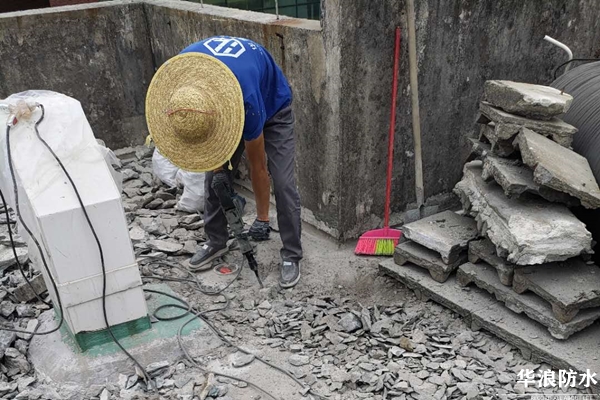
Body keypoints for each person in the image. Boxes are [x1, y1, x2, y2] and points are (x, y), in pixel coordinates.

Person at [145, 36, 302, 288]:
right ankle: (216, 241)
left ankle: (292, 254)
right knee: (213, 181)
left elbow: (259, 168)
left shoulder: (248, 101)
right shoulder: (183, 73)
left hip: (273, 107)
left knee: (283, 183)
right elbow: (213, 151)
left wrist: (261, 219)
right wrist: (219, 169)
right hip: (219, 106)